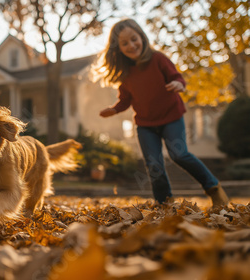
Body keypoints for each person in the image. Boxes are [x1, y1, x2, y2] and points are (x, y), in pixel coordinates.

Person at [93, 18, 229, 207]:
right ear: (118, 48)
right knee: (154, 165)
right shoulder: (125, 73)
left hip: (171, 118)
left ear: (141, 36)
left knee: (179, 155)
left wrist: (178, 84)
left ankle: (214, 188)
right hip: (145, 125)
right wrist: (114, 109)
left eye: (134, 39)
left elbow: (177, 77)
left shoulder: (158, 59)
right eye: (124, 43)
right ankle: (164, 203)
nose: (131, 45)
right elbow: (125, 99)